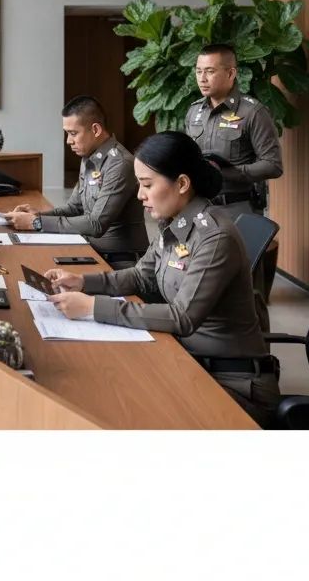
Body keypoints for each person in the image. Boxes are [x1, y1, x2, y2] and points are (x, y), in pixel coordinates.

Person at [44, 131, 280, 428]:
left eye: (147, 185)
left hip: (233, 385)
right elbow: (141, 277)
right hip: (190, 361)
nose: (140, 195)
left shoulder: (214, 236)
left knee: (127, 411)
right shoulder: (175, 222)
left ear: (182, 183)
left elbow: (182, 317)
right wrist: (82, 282)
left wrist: (92, 307)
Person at [185, 43, 284, 329]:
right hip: (201, 209)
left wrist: (229, 172)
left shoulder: (253, 112)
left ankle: (259, 350)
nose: (202, 78)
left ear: (231, 73)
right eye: (199, 71)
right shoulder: (194, 113)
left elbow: (273, 165)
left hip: (239, 209)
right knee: (202, 279)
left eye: (210, 72)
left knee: (247, 285)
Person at [6, 95, 148, 268]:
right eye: (67, 133)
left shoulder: (119, 164)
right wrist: (36, 216)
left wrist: (36, 223)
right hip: (93, 249)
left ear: (95, 130)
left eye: (73, 133)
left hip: (119, 261)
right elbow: (74, 208)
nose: (68, 141)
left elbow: (96, 224)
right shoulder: (89, 156)